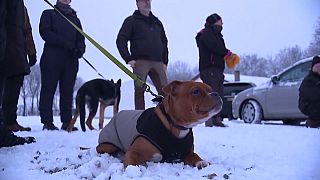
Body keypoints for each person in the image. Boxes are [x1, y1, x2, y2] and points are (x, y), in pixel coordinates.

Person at [39, 0, 85, 131]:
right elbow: (45, 33)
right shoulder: (49, 14)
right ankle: (47, 122)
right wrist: (66, 44)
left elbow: (81, 38)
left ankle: (67, 121)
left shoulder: (75, 19)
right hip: (51, 58)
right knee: (48, 89)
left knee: (67, 91)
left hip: (70, 60)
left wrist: (80, 49)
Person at [116, 0, 169, 110]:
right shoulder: (131, 21)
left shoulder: (157, 22)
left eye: (148, 1)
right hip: (140, 62)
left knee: (165, 91)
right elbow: (121, 40)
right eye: (143, 1)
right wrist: (128, 58)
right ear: (137, 3)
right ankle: (140, 116)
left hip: (158, 62)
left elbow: (164, 42)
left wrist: (165, 60)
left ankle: (166, 115)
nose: (146, 3)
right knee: (139, 91)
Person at [0, 0, 35, 148]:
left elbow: (27, 30)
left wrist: (31, 52)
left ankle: (10, 122)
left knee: (14, 85)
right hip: (6, 48)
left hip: (16, 50)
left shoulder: (22, 8)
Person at [196, 13, 237, 127]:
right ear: (214, 22)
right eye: (220, 21)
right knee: (211, 93)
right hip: (210, 68)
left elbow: (219, 47)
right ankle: (208, 119)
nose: (222, 24)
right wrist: (226, 52)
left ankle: (217, 119)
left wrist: (226, 53)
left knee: (218, 94)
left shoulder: (217, 35)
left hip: (217, 69)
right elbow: (214, 47)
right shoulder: (206, 34)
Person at [299, 56, 320, 128]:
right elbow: (315, 96)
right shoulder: (308, 80)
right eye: (317, 66)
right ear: (313, 68)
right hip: (311, 111)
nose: (319, 68)